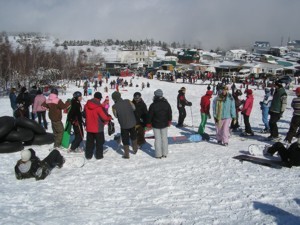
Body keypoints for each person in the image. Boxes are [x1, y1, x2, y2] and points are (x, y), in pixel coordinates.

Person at [84, 92, 112, 160]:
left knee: (89, 142)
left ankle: (88, 155)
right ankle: (99, 156)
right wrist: (109, 117)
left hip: (89, 127)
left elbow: (84, 114)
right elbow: (104, 117)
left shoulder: (86, 105)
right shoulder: (99, 107)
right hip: (98, 128)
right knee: (99, 142)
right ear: (99, 98)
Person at [111, 91, 137, 158]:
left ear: (114, 99)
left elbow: (116, 115)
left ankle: (127, 154)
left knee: (125, 138)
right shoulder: (128, 101)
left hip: (123, 124)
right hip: (132, 122)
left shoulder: (114, 106)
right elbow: (134, 108)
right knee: (133, 135)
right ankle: (135, 149)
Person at [147, 89, 172, 158]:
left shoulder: (153, 105)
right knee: (164, 138)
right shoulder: (166, 104)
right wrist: (169, 120)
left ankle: (158, 154)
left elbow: (150, 115)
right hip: (164, 124)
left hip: (156, 124)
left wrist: (148, 123)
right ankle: (165, 153)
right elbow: (169, 113)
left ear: (155, 96)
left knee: (158, 139)